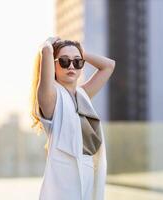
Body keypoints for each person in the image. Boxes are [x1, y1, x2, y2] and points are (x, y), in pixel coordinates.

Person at [30, 36, 115, 200]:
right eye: (63, 61)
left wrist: (81, 52)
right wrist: (46, 47)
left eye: (77, 62)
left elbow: (109, 66)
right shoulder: (50, 98)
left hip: (89, 172)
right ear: (53, 65)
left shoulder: (83, 95)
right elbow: (46, 52)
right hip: (64, 180)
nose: (71, 66)